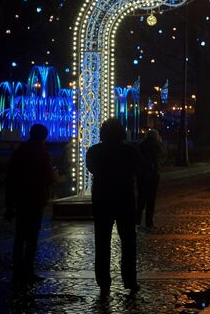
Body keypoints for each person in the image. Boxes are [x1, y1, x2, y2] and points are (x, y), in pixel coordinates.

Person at [86, 119, 146, 296]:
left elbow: (92, 168)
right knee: (128, 243)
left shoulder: (95, 151)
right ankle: (129, 279)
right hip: (124, 200)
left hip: (102, 200)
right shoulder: (130, 151)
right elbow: (140, 171)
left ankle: (103, 282)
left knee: (101, 243)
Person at [5, 123, 53, 286]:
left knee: (20, 236)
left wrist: (9, 204)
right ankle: (28, 269)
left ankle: (17, 268)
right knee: (32, 237)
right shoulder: (42, 154)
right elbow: (49, 179)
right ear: (43, 138)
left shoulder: (19, 151)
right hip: (36, 199)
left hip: (21, 199)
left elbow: (11, 178)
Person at [137, 129, 165, 228]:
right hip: (153, 174)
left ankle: (137, 220)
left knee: (141, 198)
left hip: (142, 175)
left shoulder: (141, 145)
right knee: (151, 199)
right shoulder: (158, 146)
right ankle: (149, 222)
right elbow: (163, 156)